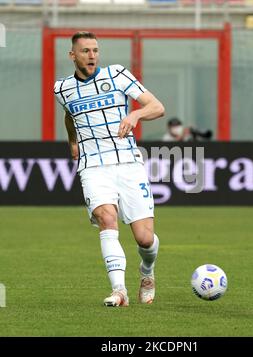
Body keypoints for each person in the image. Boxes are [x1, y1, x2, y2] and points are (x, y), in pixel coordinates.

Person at [54, 31, 165, 307]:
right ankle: (119, 291)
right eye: (85, 51)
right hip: (93, 166)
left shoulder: (117, 75)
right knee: (106, 218)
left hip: (128, 163)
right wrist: (72, 140)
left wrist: (135, 114)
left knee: (144, 237)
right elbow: (70, 115)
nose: (92, 55)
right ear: (72, 55)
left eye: (95, 50)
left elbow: (157, 107)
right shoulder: (61, 89)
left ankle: (147, 273)